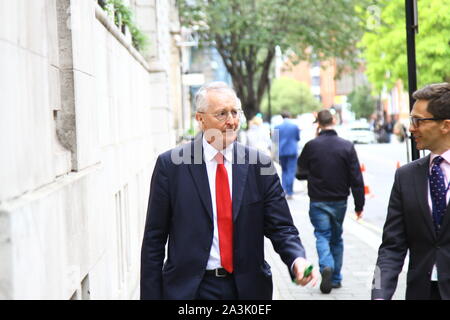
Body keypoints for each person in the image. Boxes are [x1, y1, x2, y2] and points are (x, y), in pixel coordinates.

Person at [140, 81, 318, 300]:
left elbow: (281, 227)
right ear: (201, 119)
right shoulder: (171, 166)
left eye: (235, 112)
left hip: (247, 290)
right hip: (190, 291)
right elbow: (154, 240)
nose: (231, 121)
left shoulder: (259, 165)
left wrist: (296, 259)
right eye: (222, 114)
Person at [371, 82, 450, 300]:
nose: (411, 128)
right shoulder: (405, 176)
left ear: (445, 125)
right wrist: (378, 294)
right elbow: (390, 248)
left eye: (418, 121)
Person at [296, 109, 365, 294]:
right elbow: (356, 178)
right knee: (336, 238)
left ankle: (326, 266)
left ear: (318, 124)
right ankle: (335, 278)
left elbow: (299, 172)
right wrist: (359, 205)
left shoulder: (311, 145)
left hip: (318, 199)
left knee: (322, 235)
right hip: (340, 200)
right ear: (334, 120)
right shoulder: (347, 146)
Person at [274, 111, 300, 200]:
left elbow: (274, 141)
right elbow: (298, 138)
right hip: (292, 151)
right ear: (290, 116)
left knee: (284, 171)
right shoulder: (294, 126)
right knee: (291, 171)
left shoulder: (277, 127)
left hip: (281, 151)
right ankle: (289, 191)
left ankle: (284, 189)